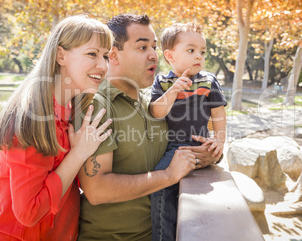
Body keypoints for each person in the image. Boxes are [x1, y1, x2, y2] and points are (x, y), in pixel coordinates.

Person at [77, 14, 221, 241]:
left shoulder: (155, 102)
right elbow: (96, 190)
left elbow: (194, 133)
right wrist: (168, 175)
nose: (154, 55)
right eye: (142, 47)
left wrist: (208, 154)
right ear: (113, 55)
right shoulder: (96, 104)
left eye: (153, 47)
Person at [0, 15, 114, 240]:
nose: (103, 65)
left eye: (106, 56)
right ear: (61, 55)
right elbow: (28, 213)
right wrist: (78, 154)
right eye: (92, 54)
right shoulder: (33, 118)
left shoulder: (70, 110)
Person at [149, 22, 227, 241]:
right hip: (173, 147)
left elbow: (218, 113)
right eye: (191, 50)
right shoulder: (163, 82)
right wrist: (173, 91)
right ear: (170, 55)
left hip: (200, 143)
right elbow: (156, 112)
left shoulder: (208, 80)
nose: (198, 56)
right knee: (161, 187)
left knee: (200, 197)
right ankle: (164, 236)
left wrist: (219, 140)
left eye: (202, 51)